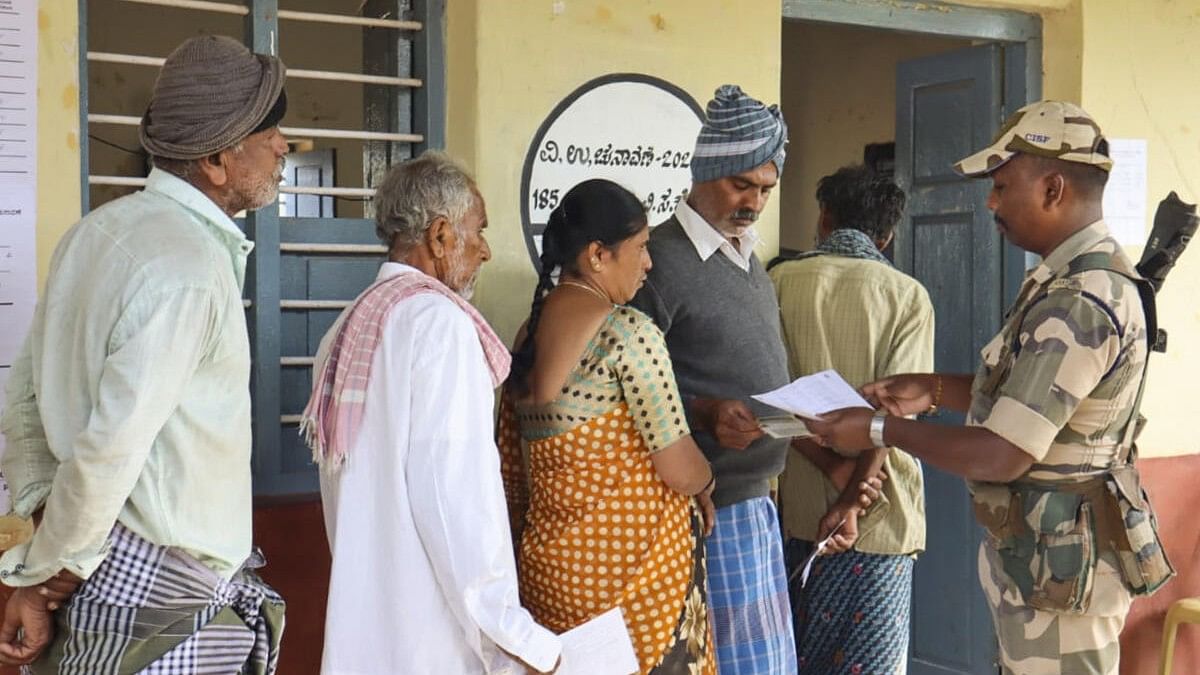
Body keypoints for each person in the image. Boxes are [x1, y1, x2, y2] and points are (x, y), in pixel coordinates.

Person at [806, 101, 1171, 674]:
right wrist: (930, 388)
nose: (991, 202)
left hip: (1062, 578)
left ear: (1053, 189)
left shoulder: (1081, 298)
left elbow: (1004, 452)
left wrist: (878, 427)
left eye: (1002, 186)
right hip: (1043, 563)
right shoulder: (1062, 280)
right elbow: (1028, 396)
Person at [0, 35, 287, 672]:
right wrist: (47, 574)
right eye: (269, 132)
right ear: (216, 158)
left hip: (102, 577)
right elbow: (111, 448)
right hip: (160, 596)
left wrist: (39, 539)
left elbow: (21, 400)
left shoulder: (92, 234)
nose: (282, 147)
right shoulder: (187, 268)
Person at [304, 151, 560, 674]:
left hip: (369, 636)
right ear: (441, 236)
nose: (485, 250)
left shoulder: (345, 328)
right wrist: (516, 639)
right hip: (432, 642)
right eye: (479, 230)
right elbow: (454, 502)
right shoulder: (438, 325)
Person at [500, 179, 717, 674]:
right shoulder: (627, 333)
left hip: (549, 577)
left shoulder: (527, 335)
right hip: (632, 588)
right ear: (598, 255)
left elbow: (511, 462)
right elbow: (679, 467)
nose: (649, 263)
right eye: (640, 248)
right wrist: (706, 481)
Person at [629, 84, 798, 673]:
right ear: (704, 173)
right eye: (741, 184)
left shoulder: (748, 256)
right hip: (704, 507)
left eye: (766, 190)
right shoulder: (656, 259)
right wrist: (703, 412)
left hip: (758, 502)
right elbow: (631, 382)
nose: (753, 202)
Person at [768, 164, 932, 674]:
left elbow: (773, 399)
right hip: (881, 516)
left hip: (796, 515)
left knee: (797, 660)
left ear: (824, 218)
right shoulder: (906, 296)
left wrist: (834, 473)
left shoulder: (776, 282)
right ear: (885, 235)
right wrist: (853, 497)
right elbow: (896, 411)